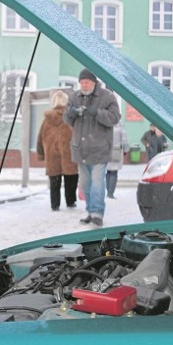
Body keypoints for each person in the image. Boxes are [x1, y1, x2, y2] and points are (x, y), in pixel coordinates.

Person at [63, 68, 121, 227]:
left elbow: (115, 118)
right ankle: (90, 211)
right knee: (85, 184)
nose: (84, 85)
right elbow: (66, 118)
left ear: (94, 82)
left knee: (97, 183)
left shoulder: (107, 96)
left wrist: (97, 112)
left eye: (86, 82)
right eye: (81, 82)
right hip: (80, 148)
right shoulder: (75, 97)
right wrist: (72, 113)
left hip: (99, 148)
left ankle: (97, 214)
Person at [36, 90, 78, 211]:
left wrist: (41, 154)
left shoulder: (47, 120)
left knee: (54, 180)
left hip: (52, 155)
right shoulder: (71, 118)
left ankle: (55, 204)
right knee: (71, 178)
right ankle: (70, 201)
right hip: (69, 155)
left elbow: (40, 138)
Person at [106, 122, 130, 199]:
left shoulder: (106, 123)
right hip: (116, 151)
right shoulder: (120, 126)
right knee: (114, 172)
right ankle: (110, 193)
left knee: (108, 171)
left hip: (106, 150)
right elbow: (124, 139)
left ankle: (108, 192)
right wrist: (126, 150)